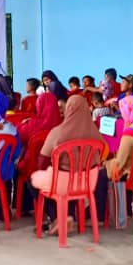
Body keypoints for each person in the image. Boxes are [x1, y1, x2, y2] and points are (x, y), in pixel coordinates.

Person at [30, 95, 105, 233]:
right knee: (71, 180)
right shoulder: (96, 132)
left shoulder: (58, 132)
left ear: (68, 109)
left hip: (63, 183)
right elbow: (102, 154)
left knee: (34, 181)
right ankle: (69, 216)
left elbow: (41, 162)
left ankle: (58, 219)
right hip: (87, 183)